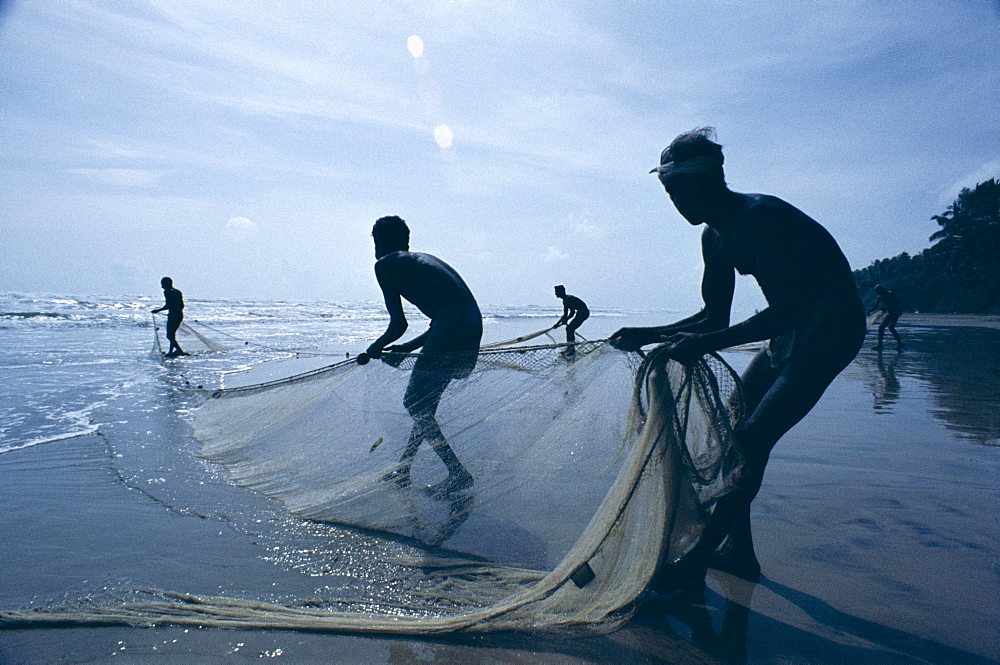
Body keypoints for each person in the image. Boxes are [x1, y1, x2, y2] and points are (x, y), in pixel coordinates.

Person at [610, 128, 865, 586]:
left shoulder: (759, 217)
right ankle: (738, 551)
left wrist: (698, 344)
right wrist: (648, 334)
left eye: (681, 188)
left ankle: (694, 563)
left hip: (832, 328)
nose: (677, 201)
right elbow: (713, 316)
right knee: (733, 425)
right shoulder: (715, 236)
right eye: (669, 191)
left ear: (711, 178)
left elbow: (791, 308)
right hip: (791, 328)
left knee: (751, 439)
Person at [360, 216, 482, 496]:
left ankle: (458, 473)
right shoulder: (422, 260)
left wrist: (374, 348)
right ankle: (404, 469)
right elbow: (449, 315)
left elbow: (398, 324)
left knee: (414, 404)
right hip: (469, 328)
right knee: (424, 407)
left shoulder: (386, 264)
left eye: (375, 239)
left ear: (382, 240)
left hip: (452, 330)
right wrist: (406, 348)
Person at [151, 277, 186, 357]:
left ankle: (179, 350)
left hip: (173, 316)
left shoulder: (167, 292)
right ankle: (171, 351)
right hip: (179, 315)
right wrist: (176, 311)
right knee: (172, 334)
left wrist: (158, 310)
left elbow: (168, 305)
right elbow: (182, 305)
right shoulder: (177, 292)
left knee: (169, 335)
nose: (162, 286)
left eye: (163, 284)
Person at [552, 285, 590, 354]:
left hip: (583, 312)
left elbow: (572, 313)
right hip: (580, 312)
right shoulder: (565, 301)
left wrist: (565, 320)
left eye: (557, 292)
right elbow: (566, 314)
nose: (555, 294)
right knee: (569, 329)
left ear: (562, 292)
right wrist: (558, 323)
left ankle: (571, 349)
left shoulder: (569, 299)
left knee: (570, 329)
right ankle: (570, 348)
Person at [868, 284, 904, 351]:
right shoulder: (880, 297)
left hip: (895, 312)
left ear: (881, 289)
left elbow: (898, 303)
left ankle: (882, 345)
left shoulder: (890, 293)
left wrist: (888, 308)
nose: (876, 292)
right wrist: (869, 312)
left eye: (877, 290)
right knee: (886, 327)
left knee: (887, 327)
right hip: (890, 312)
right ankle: (898, 344)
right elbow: (875, 307)